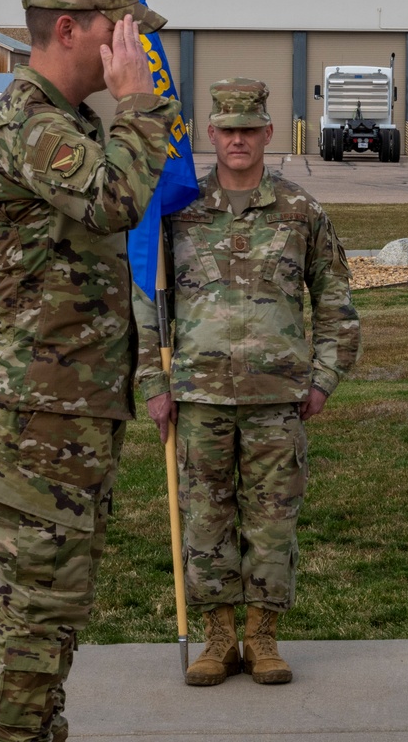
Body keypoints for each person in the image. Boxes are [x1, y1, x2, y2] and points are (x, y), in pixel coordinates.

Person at [0, 0, 181, 742]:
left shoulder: (67, 123)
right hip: (34, 404)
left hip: (71, 399)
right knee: (37, 613)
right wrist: (140, 109)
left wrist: (124, 113)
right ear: (69, 30)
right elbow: (117, 198)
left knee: (59, 605)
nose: (136, 45)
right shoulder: (24, 125)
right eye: (121, 28)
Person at [133, 78, 360, 687]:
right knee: (205, 518)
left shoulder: (300, 212)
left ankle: (262, 637)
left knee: (272, 519)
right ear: (211, 134)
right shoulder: (178, 211)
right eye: (227, 129)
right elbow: (146, 303)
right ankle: (218, 637)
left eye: (249, 129)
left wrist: (325, 376)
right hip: (198, 395)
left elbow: (336, 299)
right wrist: (153, 382)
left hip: (277, 398)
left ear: (267, 133)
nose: (238, 139)